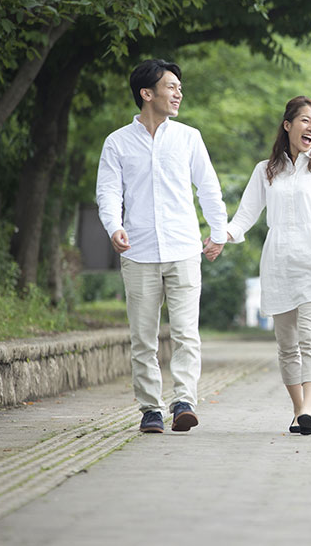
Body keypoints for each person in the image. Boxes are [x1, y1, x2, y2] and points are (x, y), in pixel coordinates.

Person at [96, 59, 228, 434]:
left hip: (184, 248)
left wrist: (218, 232)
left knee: (187, 333)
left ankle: (184, 401)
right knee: (143, 337)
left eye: (179, 87)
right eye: (171, 87)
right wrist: (113, 226)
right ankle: (150, 409)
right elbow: (107, 191)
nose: (178, 94)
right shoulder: (117, 142)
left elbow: (208, 187)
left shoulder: (189, 137)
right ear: (146, 93)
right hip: (137, 251)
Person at [226, 96, 311, 436]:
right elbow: (245, 215)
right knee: (286, 344)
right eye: (306, 121)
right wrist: (220, 237)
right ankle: (298, 410)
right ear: (288, 125)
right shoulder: (266, 170)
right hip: (277, 263)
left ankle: (309, 407)